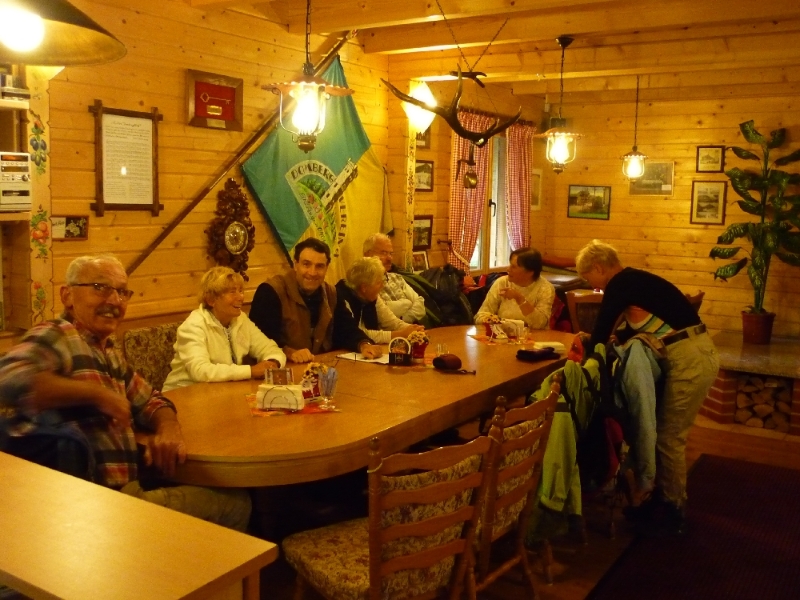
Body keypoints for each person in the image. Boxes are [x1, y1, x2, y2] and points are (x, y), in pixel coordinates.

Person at [0, 255, 250, 531]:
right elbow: (8, 377)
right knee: (237, 504)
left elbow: (152, 399)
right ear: (67, 296)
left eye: (122, 292)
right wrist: (97, 395)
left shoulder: (107, 350)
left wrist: (169, 428)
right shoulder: (58, 335)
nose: (115, 300)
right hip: (95, 504)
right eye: (100, 287)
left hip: (127, 486)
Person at [575, 239, 719, 535]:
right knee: (666, 434)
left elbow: (603, 329)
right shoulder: (634, 282)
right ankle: (661, 501)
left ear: (598, 268)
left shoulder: (620, 283)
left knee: (669, 437)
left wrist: (587, 361)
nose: (592, 286)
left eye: (589, 278)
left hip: (689, 357)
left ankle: (673, 511)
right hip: (692, 352)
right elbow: (633, 328)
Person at [249, 238, 383, 363]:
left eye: (319, 266)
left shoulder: (332, 293)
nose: (312, 272)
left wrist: (364, 344)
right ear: (295, 264)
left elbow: (347, 329)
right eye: (306, 264)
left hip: (319, 368)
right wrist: (290, 352)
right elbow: (259, 341)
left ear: (326, 268)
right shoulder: (270, 292)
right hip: (282, 371)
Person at [162, 267, 286, 391]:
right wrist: (250, 371)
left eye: (241, 291)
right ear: (211, 300)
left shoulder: (241, 319)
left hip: (220, 391)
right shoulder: (193, 326)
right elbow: (200, 371)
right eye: (232, 292)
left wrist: (272, 363)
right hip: (182, 393)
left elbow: (270, 348)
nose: (240, 297)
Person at [336, 257, 423, 344]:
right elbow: (356, 334)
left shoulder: (371, 296)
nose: (382, 285)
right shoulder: (341, 298)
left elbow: (392, 322)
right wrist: (399, 335)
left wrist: (414, 330)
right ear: (364, 287)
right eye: (378, 283)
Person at [475, 247, 555, 330]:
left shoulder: (545, 288)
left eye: (513, 267)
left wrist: (519, 298)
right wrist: (491, 321)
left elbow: (540, 324)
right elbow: (481, 315)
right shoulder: (502, 283)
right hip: (502, 335)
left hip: (534, 337)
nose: (508, 269)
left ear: (530, 272)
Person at [363, 233, 425, 324]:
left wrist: (403, 320)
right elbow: (380, 313)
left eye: (391, 253)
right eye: (383, 253)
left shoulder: (397, 277)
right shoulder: (364, 284)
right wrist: (407, 303)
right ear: (367, 255)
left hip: (409, 329)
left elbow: (420, 303)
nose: (389, 258)